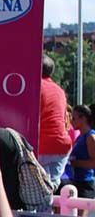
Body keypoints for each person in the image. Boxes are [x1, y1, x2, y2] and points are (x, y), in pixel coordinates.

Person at [37, 55, 72, 189]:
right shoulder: (59, 90)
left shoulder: (35, 86)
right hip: (62, 146)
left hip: (41, 145)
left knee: (35, 190)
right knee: (49, 189)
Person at [68, 104, 95, 198]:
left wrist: (74, 163)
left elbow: (93, 163)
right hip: (77, 181)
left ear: (83, 118)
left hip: (86, 183)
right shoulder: (80, 137)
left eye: (74, 118)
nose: (71, 121)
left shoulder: (91, 137)